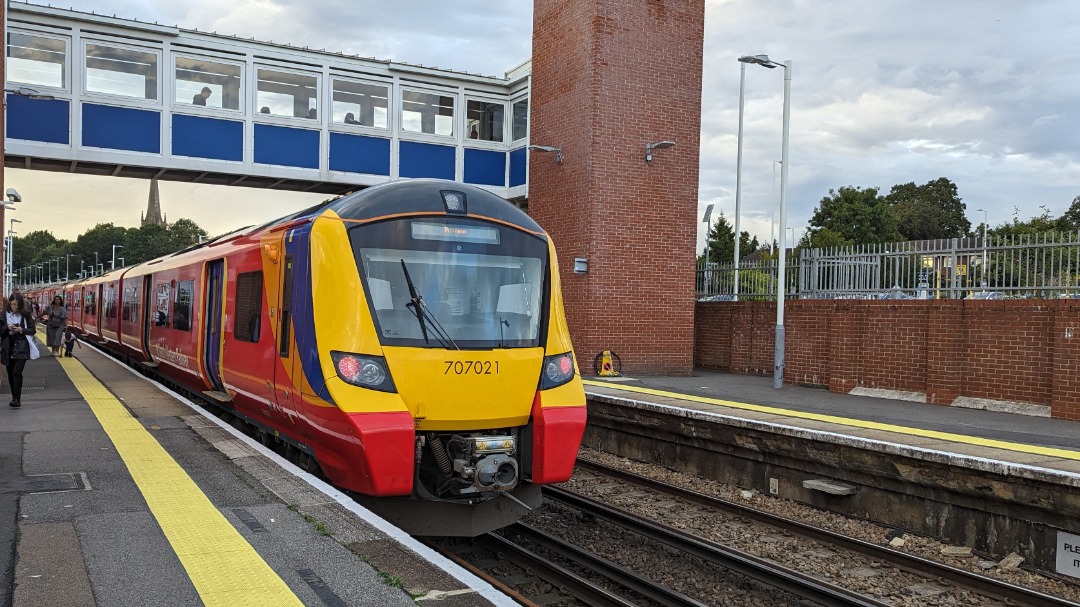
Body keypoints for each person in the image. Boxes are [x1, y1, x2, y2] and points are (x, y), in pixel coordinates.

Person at [1, 293, 37, 408]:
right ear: (9, 304)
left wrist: (22, 330)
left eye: (17, 305)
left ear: (20, 305)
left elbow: (32, 330)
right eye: (12, 304)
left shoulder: (25, 315)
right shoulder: (3, 315)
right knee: (11, 373)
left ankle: (17, 399)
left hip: (21, 346)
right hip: (7, 347)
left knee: (17, 372)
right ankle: (14, 396)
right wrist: (7, 327)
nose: (14, 307)